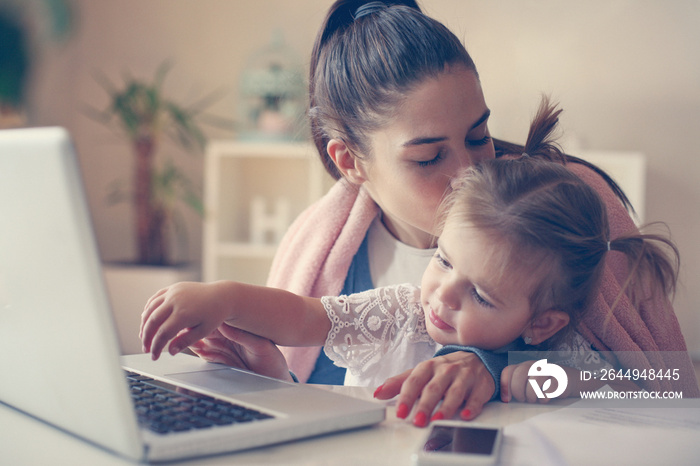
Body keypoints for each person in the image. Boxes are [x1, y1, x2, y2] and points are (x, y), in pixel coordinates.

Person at [187, 0, 699, 423]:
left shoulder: (551, 224)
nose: (470, 172)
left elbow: (667, 385)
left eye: (479, 137)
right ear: (351, 162)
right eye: (429, 157)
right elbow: (320, 384)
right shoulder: (376, 284)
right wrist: (267, 379)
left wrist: (500, 367)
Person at [141, 106, 683, 426]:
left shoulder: (559, 356)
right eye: (444, 260)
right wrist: (227, 298)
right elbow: (309, 318)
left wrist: (509, 377)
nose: (444, 295)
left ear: (543, 321)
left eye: (483, 296)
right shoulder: (407, 310)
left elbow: (652, 382)